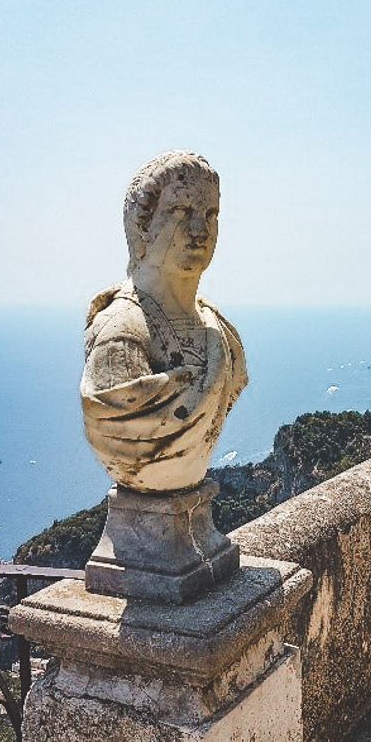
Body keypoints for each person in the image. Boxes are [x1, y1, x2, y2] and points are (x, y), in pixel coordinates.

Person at [80, 151, 247, 493]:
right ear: (143, 226)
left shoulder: (219, 332)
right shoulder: (121, 335)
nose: (200, 229)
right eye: (181, 211)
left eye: (210, 214)